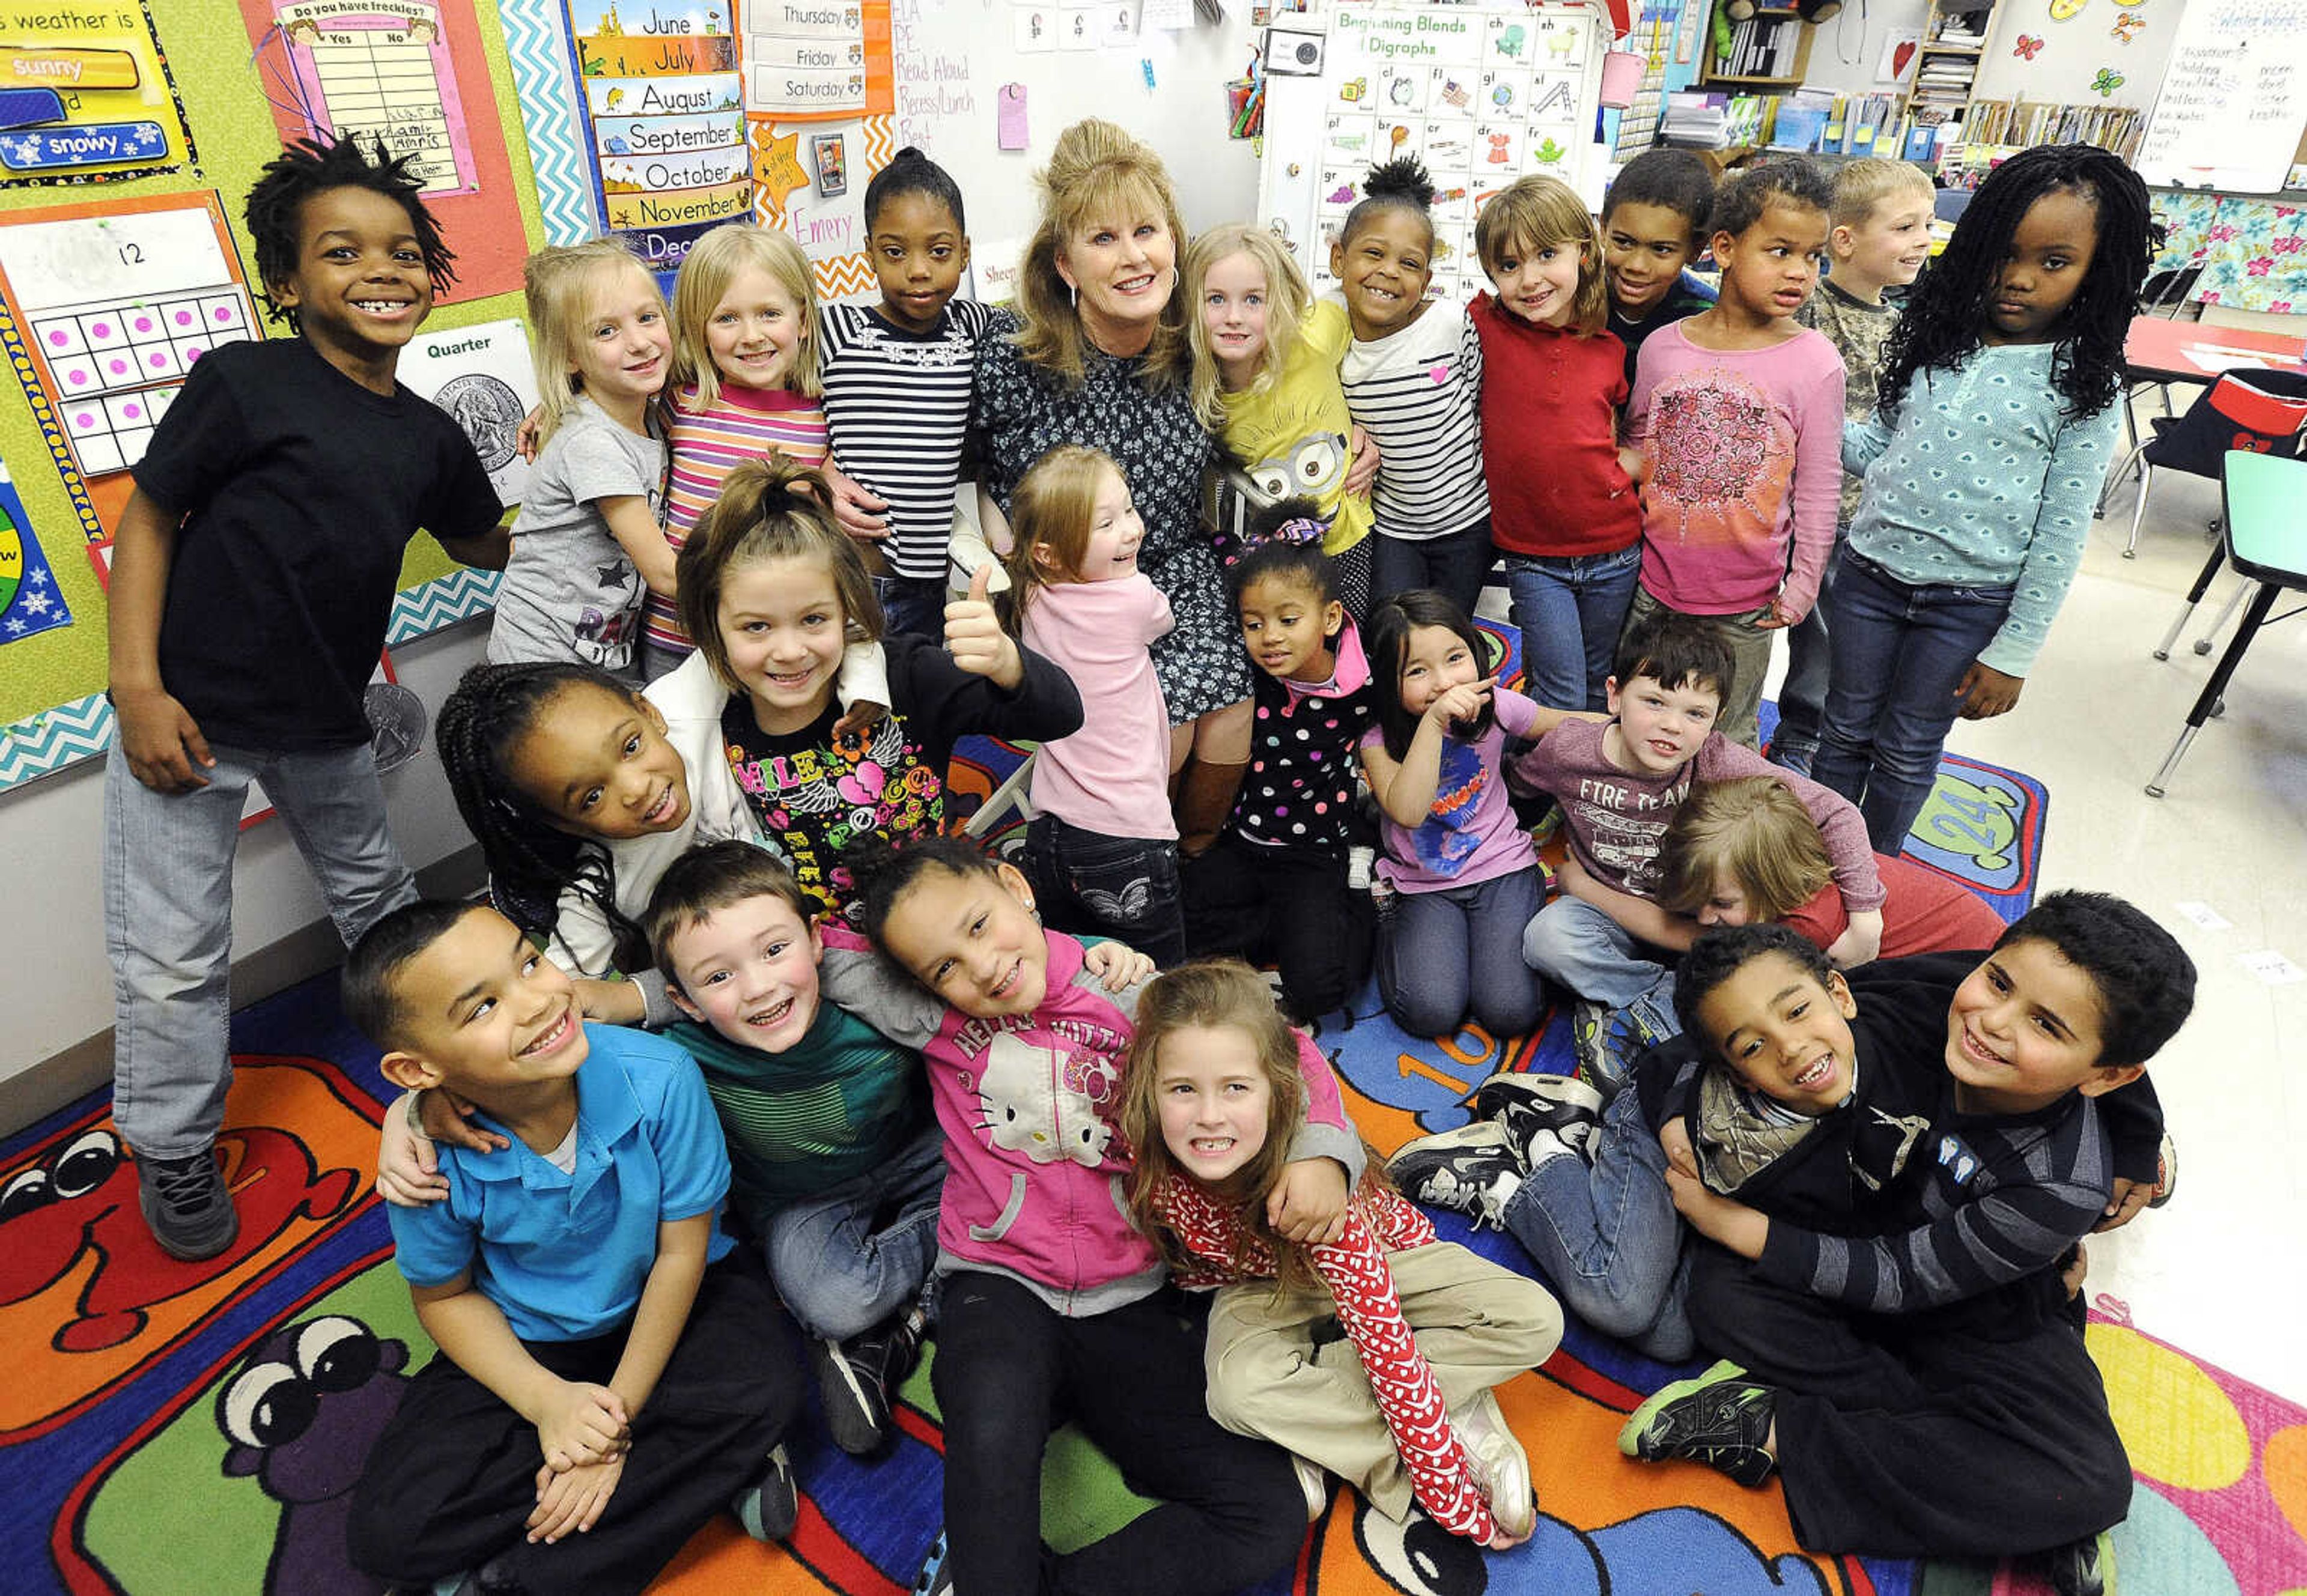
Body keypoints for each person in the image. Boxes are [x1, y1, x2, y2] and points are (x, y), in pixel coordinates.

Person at [105, 133, 505, 1260]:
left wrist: (579, 480)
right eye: (342, 252)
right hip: (189, 717)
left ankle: (447, 1065)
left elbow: (484, 543)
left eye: (403, 252)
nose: (381, 271)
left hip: (327, 715)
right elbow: (147, 518)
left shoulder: (426, 435)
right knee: (176, 950)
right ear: (289, 283)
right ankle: (173, 1148)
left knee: (378, 899)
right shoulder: (244, 381)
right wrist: (136, 686)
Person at [823, 835, 1357, 1596]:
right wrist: (630, 992)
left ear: (1016, 885)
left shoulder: (1138, 999)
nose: (980, 968)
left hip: (1130, 1293)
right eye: (943, 966)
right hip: (995, 1283)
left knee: (1266, 1511)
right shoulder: (930, 1011)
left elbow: (1282, 1048)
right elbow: (787, 949)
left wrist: (1321, 1153)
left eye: (980, 926)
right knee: (991, 1443)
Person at [1619, 894, 2192, 1594]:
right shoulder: (1936, 998)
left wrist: (1735, 1224)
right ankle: (1985, 1487)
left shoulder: (2061, 1182)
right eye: (1999, 981)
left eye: (2042, 1024)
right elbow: (1731, 1024)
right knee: (1724, 1297)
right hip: (1852, 1238)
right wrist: (1676, 1107)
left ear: (2105, 1076)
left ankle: (1771, 1427)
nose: (1992, 1022)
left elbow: (1903, 1280)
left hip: (1985, 1307)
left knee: (2091, 1482)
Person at [341, 900, 801, 1594]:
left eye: (529, 962)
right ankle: (703, 1470)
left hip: (677, 1295)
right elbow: (445, 1294)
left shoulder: (663, 1078)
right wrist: (549, 1402)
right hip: (533, 1334)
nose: (537, 1000)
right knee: (388, 1528)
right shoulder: (424, 1156)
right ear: (416, 1072)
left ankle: (518, 1576)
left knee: (767, 1384)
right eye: (483, 1007)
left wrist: (607, 1429)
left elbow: (682, 1253)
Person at [1119, 960, 1563, 1549]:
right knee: (1235, 1391)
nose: (1208, 1115)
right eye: (1182, 1089)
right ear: (1149, 1092)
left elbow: (1389, 1351)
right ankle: (1442, 1411)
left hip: (1382, 1260)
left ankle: (1330, 1428)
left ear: (1277, 1091)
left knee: (1534, 1318)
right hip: (1258, 1287)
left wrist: (1453, 1505)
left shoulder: (1313, 1189)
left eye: (1235, 1087)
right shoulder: (1146, 1157)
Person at [1812, 145, 2156, 853]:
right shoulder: (1937, 339)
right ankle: (1815, 859)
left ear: (2100, 270)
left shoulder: (2082, 384)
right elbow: (1879, 446)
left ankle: (1875, 874)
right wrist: (1799, 411)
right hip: (1867, 579)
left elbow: (2060, 534)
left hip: (1966, 607)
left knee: (1907, 748)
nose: (2020, 279)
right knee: (1842, 728)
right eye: (2005, 254)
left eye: (2054, 263)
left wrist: (2016, 650)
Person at [1387, 926, 1861, 1361]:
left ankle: (1582, 1147)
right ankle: (1532, 1158)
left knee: (1675, 1336)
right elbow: (1694, 1054)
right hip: (1669, 1126)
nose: (1793, 1045)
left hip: (1737, 1186)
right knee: (1618, 1298)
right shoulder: (1841, 1041)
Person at [974, 118, 1253, 853]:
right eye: (1104, 240)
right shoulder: (1012, 356)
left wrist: (1355, 439)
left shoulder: (1198, 340)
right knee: (1165, 717)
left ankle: (1188, 863)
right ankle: (1119, 863)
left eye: (1147, 232)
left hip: (1175, 571)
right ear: (1066, 263)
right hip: (1070, 593)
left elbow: (1303, 353)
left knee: (1231, 705)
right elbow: (941, 454)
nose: (1134, 259)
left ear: (1174, 239)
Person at [673, 457, 1081, 918]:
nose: (788, 650)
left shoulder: (906, 675)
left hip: (933, 928)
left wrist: (1008, 662)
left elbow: (1063, 715)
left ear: (847, 605)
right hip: (811, 955)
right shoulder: (711, 717)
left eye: (813, 619)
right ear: (714, 626)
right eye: (756, 627)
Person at [1515, 611, 1883, 1088]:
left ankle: (1661, 1005)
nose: (1671, 726)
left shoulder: (1716, 758)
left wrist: (1866, 912)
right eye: (1654, 701)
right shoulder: (1570, 749)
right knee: (1546, 939)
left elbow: (1837, 811)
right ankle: (1666, 998)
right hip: (1606, 909)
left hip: (1702, 918)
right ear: (1614, 695)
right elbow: (1519, 784)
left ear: (1717, 720)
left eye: (1695, 714)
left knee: (1776, 947)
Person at [1622, 158, 1844, 750]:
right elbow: (1637, 448)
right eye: (1780, 251)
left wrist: (1802, 586)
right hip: (1652, 587)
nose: (1800, 271)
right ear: (1723, 248)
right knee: (1644, 723)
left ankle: (1718, 843)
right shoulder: (1662, 348)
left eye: (1813, 256)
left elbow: (1820, 488)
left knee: (1727, 738)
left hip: (1748, 605)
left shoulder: (1816, 362)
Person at [1769, 159, 1936, 775]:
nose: (1923, 239)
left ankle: (1800, 736)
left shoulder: (1903, 325)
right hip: (1777, 507)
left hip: (1849, 517)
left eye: (1928, 225)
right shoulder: (1805, 307)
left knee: (1825, 642)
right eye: (1905, 227)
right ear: (1845, 240)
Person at [1182, 526, 1377, 1023]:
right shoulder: (1248, 672)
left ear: (1330, 617)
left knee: (1321, 989)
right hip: (1243, 841)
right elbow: (1222, 552)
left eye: (1289, 620)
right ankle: (1277, 923)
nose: (1270, 637)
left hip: (1312, 853)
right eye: (1253, 624)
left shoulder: (1362, 686)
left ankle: (1354, 885)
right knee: (1167, 925)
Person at [1002, 444, 1187, 962]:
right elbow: (1163, 621)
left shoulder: (1031, 596)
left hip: (1047, 833)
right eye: (1105, 524)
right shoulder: (1134, 598)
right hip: (1126, 836)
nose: (1132, 529)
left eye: (1128, 510)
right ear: (1051, 553)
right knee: (1159, 975)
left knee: (1080, 963)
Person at [1470, 173, 1644, 713]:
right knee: (1558, 691)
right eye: (1509, 265)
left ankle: (1580, 793)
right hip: (1533, 557)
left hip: (1615, 550)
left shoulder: (1609, 348)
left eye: (1547, 254)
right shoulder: (1484, 326)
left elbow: (1618, 434)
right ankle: (1532, 788)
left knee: (1598, 686)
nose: (1530, 279)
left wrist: (1628, 467)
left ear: (1583, 251)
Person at [816, 148, 991, 640]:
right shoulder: (837, 331)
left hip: (930, 588)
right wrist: (820, 472)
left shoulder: (971, 328)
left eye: (939, 251)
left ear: (966, 251)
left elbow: (1041, 326)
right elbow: (771, 412)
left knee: (913, 710)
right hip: (850, 579)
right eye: (895, 252)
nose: (918, 270)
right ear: (869, 251)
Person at [643, 224, 833, 675]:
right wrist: (554, 408)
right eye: (727, 318)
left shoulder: (821, 419)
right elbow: (607, 410)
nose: (751, 335)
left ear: (803, 320)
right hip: (676, 638)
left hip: (776, 645)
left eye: (770, 313)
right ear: (699, 328)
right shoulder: (682, 401)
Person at [1360, 590, 1546, 1042]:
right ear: (1389, 680)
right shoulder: (1377, 740)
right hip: (1424, 884)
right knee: (1429, 1012)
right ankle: (1388, 923)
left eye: (1455, 658)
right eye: (1418, 671)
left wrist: (1629, 722)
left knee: (1510, 1011)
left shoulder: (1498, 706)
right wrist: (1433, 724)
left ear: (1477, 655)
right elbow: (1407, 810)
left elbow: (1567, 724)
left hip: (1502, 868)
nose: (1444, 682)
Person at [487, 239, 672, 677]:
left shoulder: (645, 408)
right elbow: (665, 574)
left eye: (648, 318)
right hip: (540, 660)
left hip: (598, 652)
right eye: (606, 331)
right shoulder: (592, 442)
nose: (640, 343)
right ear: (570, 355)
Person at [1184, 222, 1376, 618]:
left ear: (1281, 303)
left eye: (1254, 300)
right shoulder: (1196, 398)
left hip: (1349, 541)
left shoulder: (1315, 337)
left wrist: (1369, 426)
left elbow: (1372, 311)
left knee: (1349, 653)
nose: (1234, 317)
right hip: (1271, 563)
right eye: (1216, 299)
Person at [1332, 159, 1492, 617]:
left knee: (1450, 630)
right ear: (1339, 259)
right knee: (1392, 631)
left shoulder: (1448, 323)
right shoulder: (1329, 333)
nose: (1388, 272)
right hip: (1394, 528)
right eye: (1373, 254)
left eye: (1409, 264)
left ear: (1426, 282)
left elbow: (1477, 396)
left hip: (1467, 525)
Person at [1653, 775, 2006, 956]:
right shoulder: (1788, 854)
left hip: (1973, 958)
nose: (1702, 918)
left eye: (1720, 903)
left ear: (1772, 885)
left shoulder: (1812, 925)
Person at [1600, 148, 1719, 387]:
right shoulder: (1573, 301)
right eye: (1623, 242)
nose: (1637, 266)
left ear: (1696, 250)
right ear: (1603, 229)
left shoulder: (1707, 317)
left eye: (1662, 249)